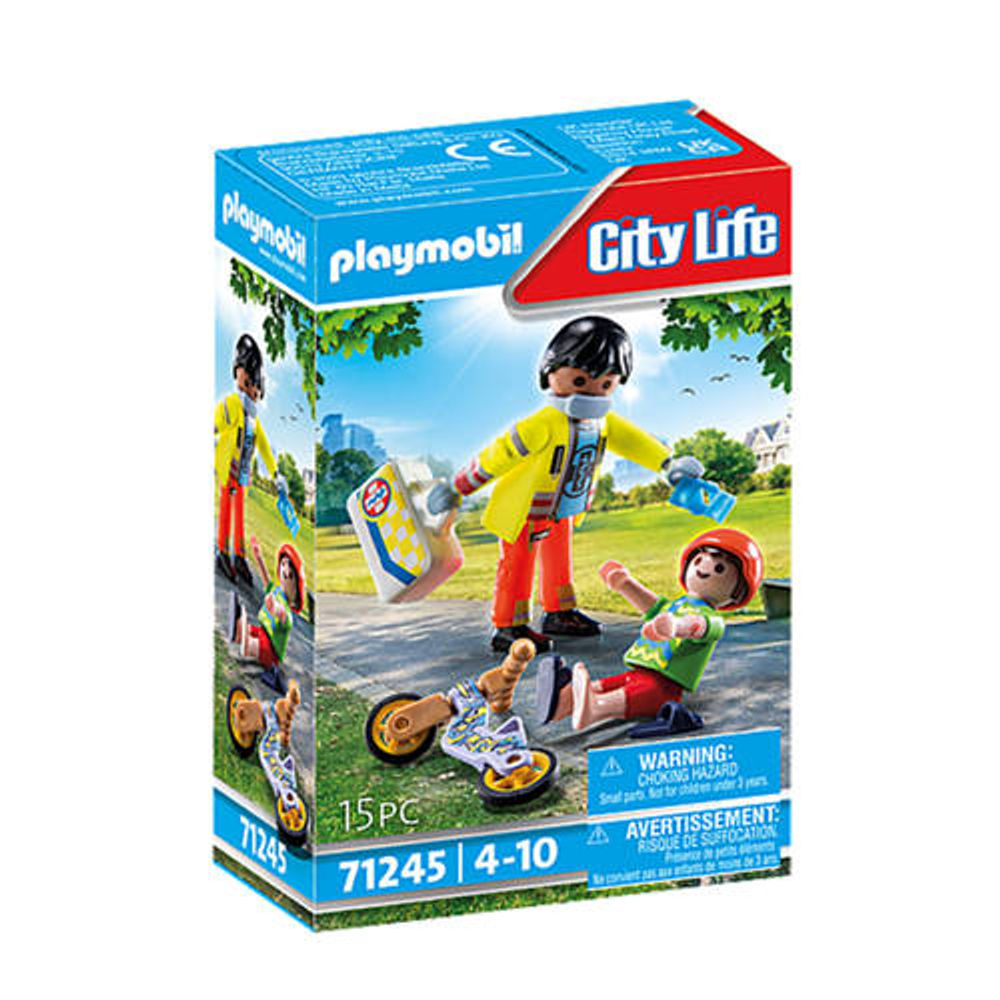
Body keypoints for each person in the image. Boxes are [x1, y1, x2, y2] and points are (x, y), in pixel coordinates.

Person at [429, 315, 702, 652]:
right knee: (518, 566)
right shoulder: (541, 425)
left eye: (606, 383)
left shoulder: (601, 423)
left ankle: (559, 612)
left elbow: (635, 441)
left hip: (562, 509)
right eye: (580, 379)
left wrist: (667, 463)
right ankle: (509, 625)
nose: (592, 391)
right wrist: (459, 487)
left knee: (559, 563)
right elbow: (497, 456)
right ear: (550, 371)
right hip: (524, 512)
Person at [535, 528, 763, 737]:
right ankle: (567, 700)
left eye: (719, 568)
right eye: (699, 560)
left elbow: (696, 626)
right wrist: (624, 583)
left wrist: (675, 627)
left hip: (664, 689)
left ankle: (596, 708)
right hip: (641, 673)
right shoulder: (675, 606)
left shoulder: (713, 621)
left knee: (638, 692)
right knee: (615, 682)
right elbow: (650, 605)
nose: (704, 568)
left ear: (737, 593)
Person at [214, 333, 287, 586]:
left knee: (239, 516)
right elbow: (215, 423)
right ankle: (223, 552)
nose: (252, 390)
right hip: (228, 469)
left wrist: (277, 474)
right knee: (226, 511)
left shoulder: (254, 421)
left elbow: (265, 448)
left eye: (256, 387)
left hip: (243, 474)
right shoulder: (231, 405)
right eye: (249, 381)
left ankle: (240, 556)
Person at [226, 535, 306, 695]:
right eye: (283, 565)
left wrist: (274, 608)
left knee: (258, 645)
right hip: (263, 631)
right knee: (250, 630)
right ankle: (239, 632)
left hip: (271, 651)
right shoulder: (276, 592)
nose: (285, 572)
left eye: (290, 575)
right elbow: (266, 580)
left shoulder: (286, 611)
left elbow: (283, 616)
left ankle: (248, 645)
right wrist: (259, 557)